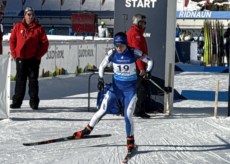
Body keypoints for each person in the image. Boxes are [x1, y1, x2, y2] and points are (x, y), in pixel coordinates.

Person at [72, 32, 153, 153]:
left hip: (129, 91)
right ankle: (86, 131)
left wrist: (148, 71)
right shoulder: (113, 52)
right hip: (115, 89)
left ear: (126, 44)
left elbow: (150, 60)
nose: (118, 48)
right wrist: (100, 78)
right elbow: (102, 66)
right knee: (102, 110)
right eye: (116, 45)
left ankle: (130, 141)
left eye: (121, 45)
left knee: (128, 116)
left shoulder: (133, 52)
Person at [9, 7, 49, 110]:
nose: (30, 16)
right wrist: (14, 54)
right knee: (20, 81)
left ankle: (34, 103)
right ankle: (16, 102)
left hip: (33, 59)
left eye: (32, 14)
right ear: (25, 15)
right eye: (29, 14)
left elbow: (45, 43)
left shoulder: (39, 28)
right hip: (21, 58)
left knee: (33, 81)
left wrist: (38, 56)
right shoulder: (18, 26)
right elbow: (12, 41)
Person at [126, 13, 151, 118]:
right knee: (141, 88)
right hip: (136, 65)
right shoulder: (135, 34)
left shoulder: (136, 33)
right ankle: (138, 110)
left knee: (136, 88)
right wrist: (141, 67)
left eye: (145, 22)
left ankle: (133, 109)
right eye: (142, 22)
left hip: (134, 64)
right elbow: (137, 53)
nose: (144, 25)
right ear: (137, 22)